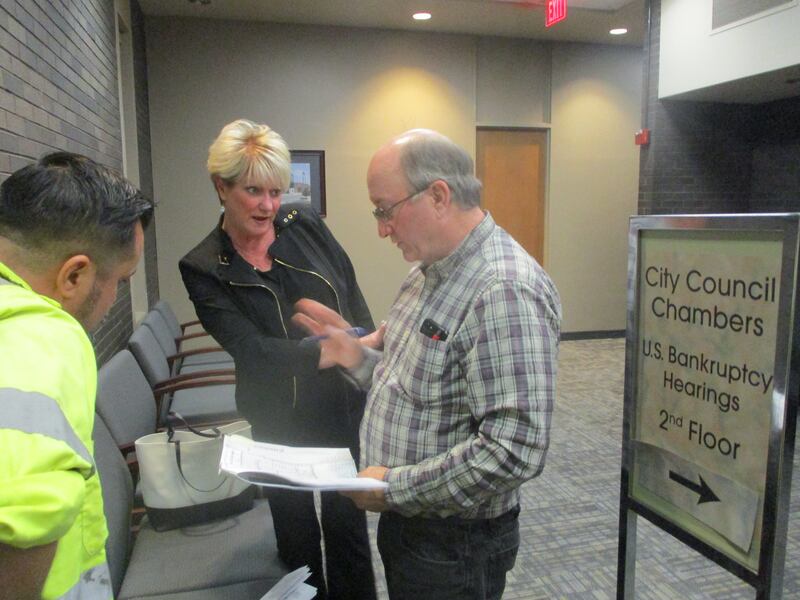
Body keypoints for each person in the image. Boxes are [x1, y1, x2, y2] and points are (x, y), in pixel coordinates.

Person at [293, 129, 562, 600]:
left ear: (438, 195)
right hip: (415, 528)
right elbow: (410, 381)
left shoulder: (503, 290)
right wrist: (357, 357)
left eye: (385, 210)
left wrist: (393, 488)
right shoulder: (426, 273)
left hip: (456, 544)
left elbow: (513, 450)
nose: (381, 228)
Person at [179, 119, 377, 599]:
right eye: (253, 191)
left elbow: (349, 291)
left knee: (347, 525)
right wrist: (332, 349)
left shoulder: (303, 224)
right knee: (297, 536)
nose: (268, 205)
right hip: (276, 416)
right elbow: (251, 350)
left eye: (276, 191)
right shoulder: (204, 267)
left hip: (339, 405)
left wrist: (366, 348)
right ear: (220, 187)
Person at [0, 152, 152, 600]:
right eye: (121, 281)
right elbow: (23, 521)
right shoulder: (45, 340)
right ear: (75, 276)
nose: (115, 299)